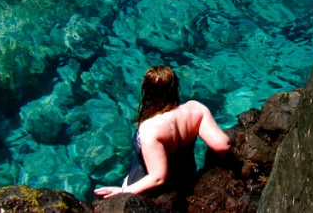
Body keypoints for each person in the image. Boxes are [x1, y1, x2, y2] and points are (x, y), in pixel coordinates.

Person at [94, 66, 231, 199]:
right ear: (176, 87)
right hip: (185, 181)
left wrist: (123, 191)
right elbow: (222, 145)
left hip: (146, 192)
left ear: (147, 92)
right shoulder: (196, 109)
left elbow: (158, 177)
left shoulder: (150, 128)